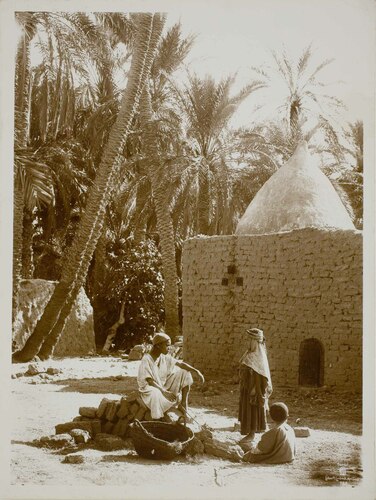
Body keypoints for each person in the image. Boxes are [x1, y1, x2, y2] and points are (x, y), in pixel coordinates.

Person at [137, 332, 205, 420]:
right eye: (167, 345)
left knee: (185, 372)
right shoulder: (146, 359)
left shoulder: (163, 357)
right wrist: (163, 391)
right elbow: (149, 381)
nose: (169, 348)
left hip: (162, 386)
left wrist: (196, 371)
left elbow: (181, 364)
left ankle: (183, 405)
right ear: (158, 346)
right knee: (156, 393)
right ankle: (158, 417)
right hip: (149, 389)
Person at [238, 327, 272, 445]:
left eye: (250, 340)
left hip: (253, 389)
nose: (248, 342)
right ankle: (249, 432)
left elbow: (260, 377)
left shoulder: (257, 357)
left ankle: (251, 434)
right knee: (247, 409)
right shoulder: (249, 354)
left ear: (255, 341)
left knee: (252, 409)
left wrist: (254, 389)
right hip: (246, 387)